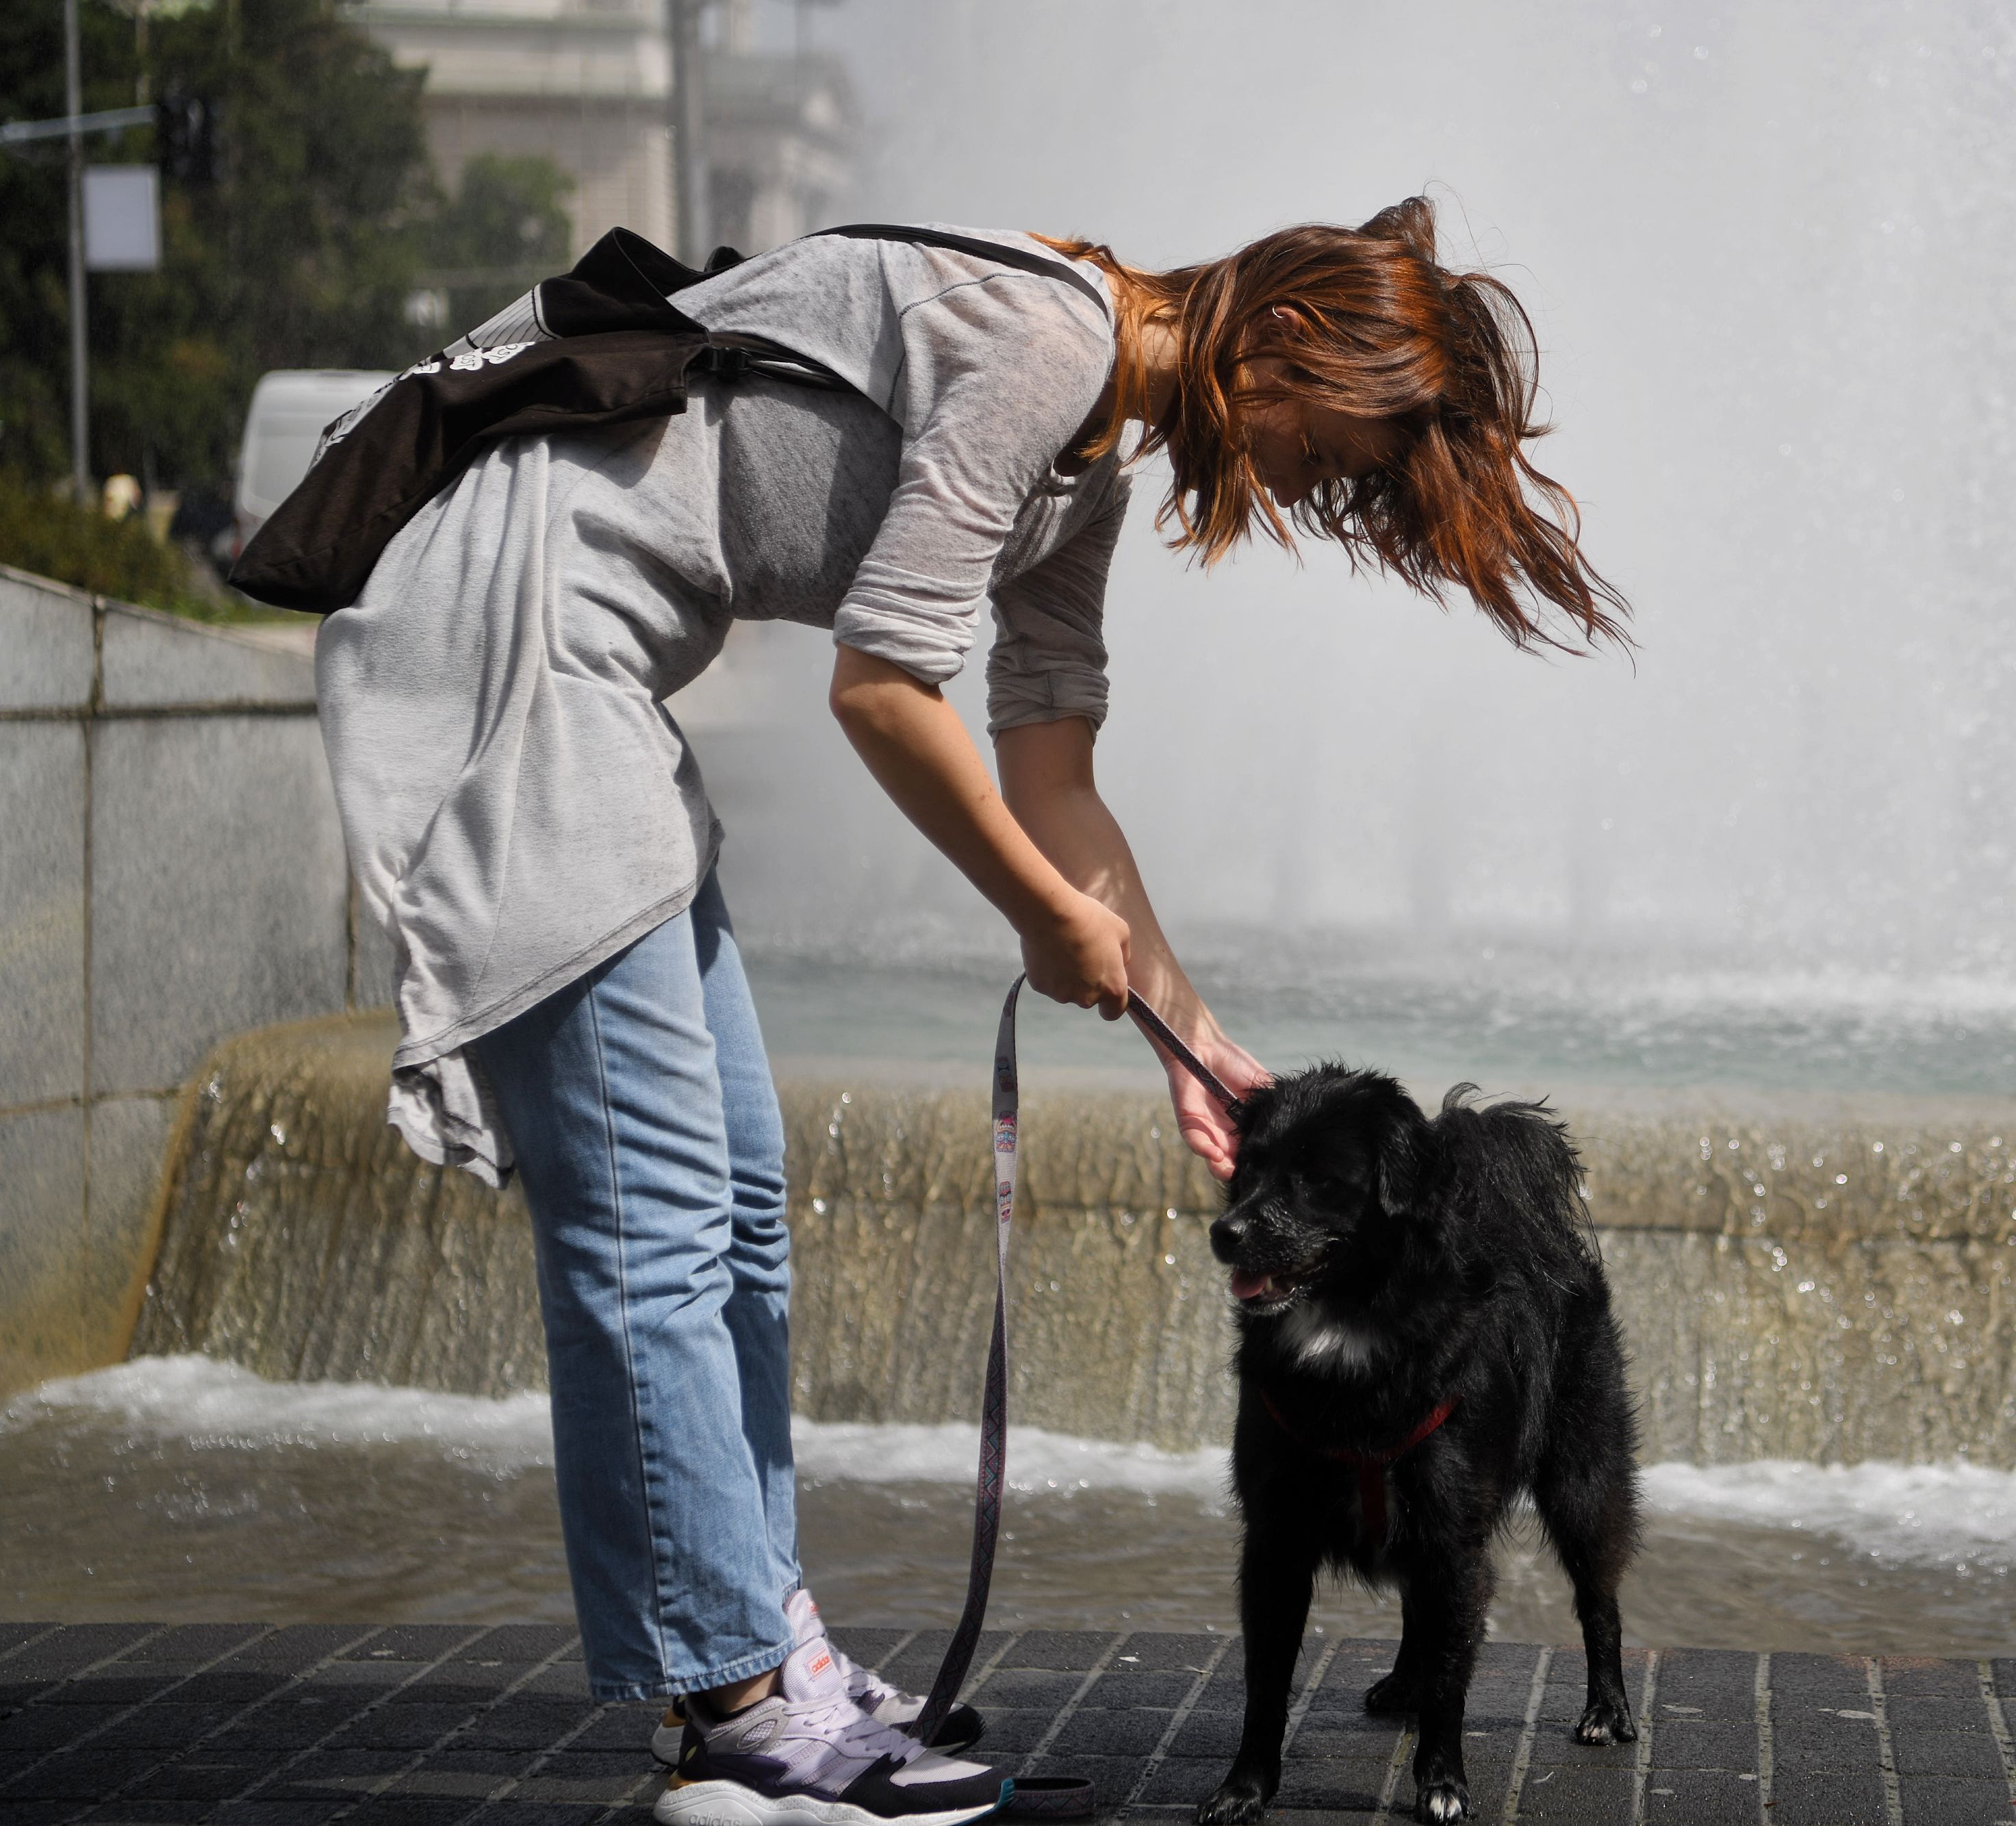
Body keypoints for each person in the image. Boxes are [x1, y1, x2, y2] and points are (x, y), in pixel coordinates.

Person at [314, 195, 1625, 1826]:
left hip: (600, 670)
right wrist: (1037, 916)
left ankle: (757, 1648)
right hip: (516, 645)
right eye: (1334, 450)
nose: (1310, 491)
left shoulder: (1089, 470)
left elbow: (1055, 779)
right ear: (1281, 338)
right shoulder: (1044, 344)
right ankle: (730, 1705)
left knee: (731, 1205)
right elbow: (881, 690)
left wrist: (1196, 1046)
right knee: (650, 1228)